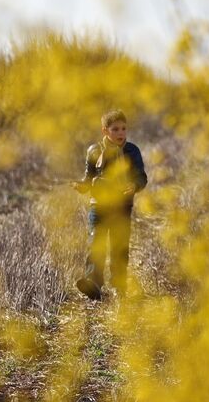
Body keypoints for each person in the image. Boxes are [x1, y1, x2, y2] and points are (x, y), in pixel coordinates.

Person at [72, 109, 147, 300]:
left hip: (122, 206)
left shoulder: (132, 151)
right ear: (105, 131)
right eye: (115, 129)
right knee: (95, 244)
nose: (120, 133)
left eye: (123, 129)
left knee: (119, 247)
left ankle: (119, 286)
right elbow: (89, 179)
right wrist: (82, 186)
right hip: (98, 205)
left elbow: (142, 177)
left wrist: (135, 185)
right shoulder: (94, 151)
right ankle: (93, 284)